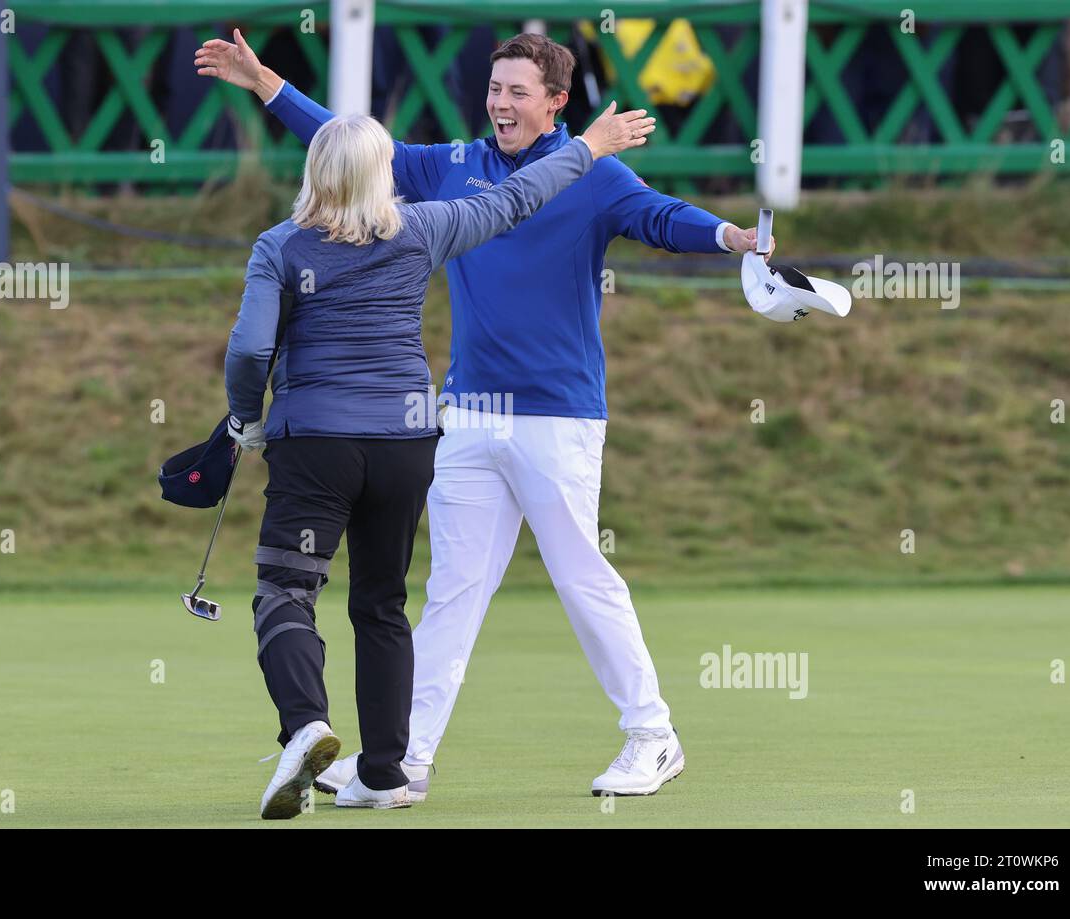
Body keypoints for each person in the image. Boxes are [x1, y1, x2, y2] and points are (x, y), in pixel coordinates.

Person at [199, 29, 773, 801]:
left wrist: (732, 236)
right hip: (465, 411)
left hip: (560, 412)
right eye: (495, 88)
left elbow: (663, 218)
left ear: (556, 104)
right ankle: (404, 763)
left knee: (580, 576)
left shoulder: (595, 172)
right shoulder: (453, 167)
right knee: (450, 590)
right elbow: (355, 152)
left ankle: (652, 734)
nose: (499, 103)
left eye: (517, 92)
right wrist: (267, 84)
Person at [223, 101, 655, 818]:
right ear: (381, 174)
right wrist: (587, 147)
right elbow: (518, 198)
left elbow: (246, 349)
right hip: (406, 442)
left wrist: (244, 418)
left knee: (286, 591)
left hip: (318, 443)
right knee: (383, 602)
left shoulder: (280, 245)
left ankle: (305, 724)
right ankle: (388, 772)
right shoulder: (424, 227)